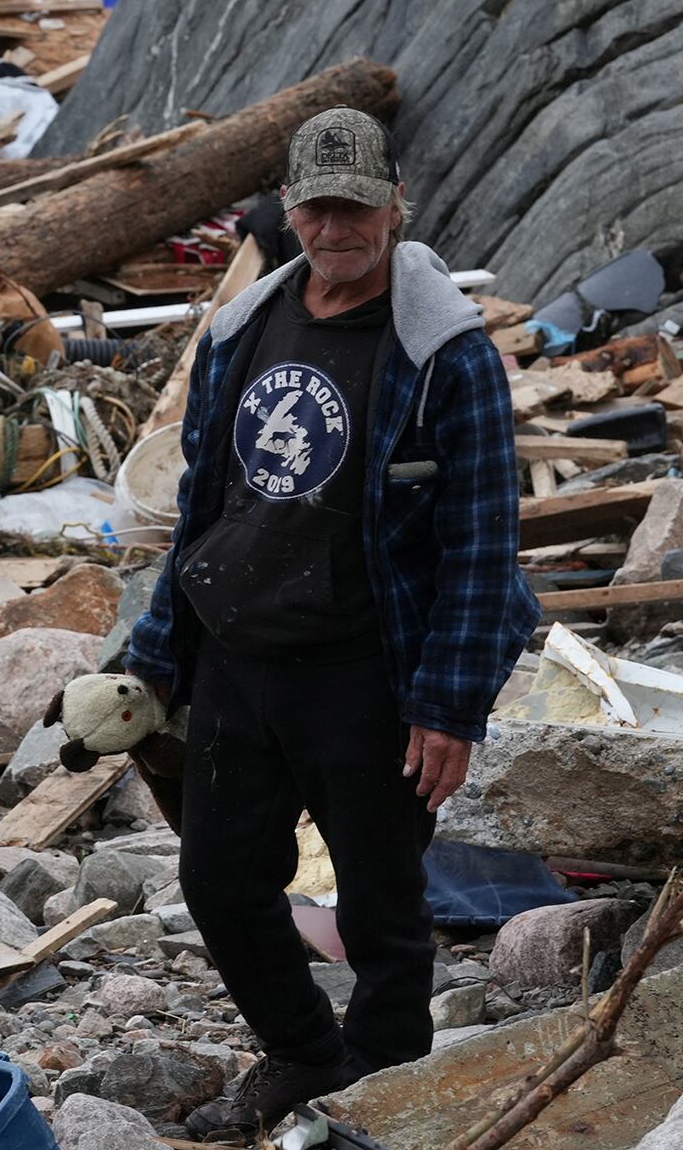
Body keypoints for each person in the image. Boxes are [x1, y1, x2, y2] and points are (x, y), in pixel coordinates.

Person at [123, 107, 539, 1141]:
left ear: (396, 203)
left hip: (367, 669)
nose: (335, 225)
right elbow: (203, 506)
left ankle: (383, 1093)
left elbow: (483, 542)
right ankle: (306, 1051)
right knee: (221, 883)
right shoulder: (241, 329)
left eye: (356, 204)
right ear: (288, 209)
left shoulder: (445, 353)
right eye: (316, 205)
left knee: (382, 910)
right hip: (239, 654)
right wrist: (154, 660)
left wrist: (449, 706)